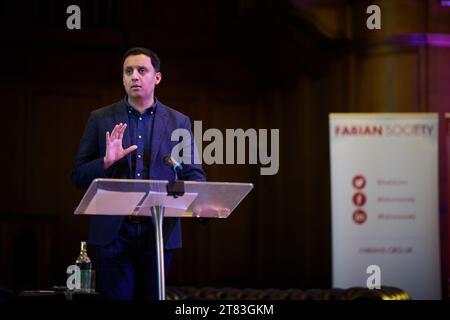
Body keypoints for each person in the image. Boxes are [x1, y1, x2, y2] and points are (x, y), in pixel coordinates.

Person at [71, 47, 206, 300]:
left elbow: (194, 175)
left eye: (141, 70)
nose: (134, 76)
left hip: (159, 232)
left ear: (157, 77)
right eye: (128, 71)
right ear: (122, 78)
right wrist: (105, 162)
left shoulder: (179, 122)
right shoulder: (100, 119)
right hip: (114, 234)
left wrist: (204, 205)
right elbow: (78, 175)